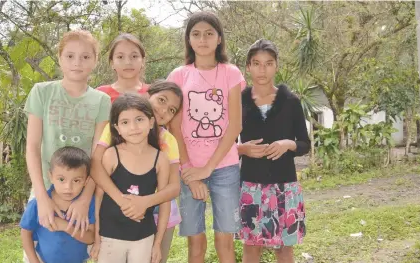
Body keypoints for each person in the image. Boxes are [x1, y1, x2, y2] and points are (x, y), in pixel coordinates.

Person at [167, 11, 245, 263]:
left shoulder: (230, 73)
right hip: (189, 169)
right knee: (196, 244)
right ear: (189, 40)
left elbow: (235, 126)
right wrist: (190, 172)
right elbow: (174, 128)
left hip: (225, 167)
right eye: (196, 34)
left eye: (209, 34)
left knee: (225, 243)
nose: (203, 39)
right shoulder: (178, 75)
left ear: (219, 39)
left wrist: (208, 168)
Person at [24, 30, 110, 238]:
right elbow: (32, 147)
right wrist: (42, 197)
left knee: (73, 251)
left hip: (81, 190)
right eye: (70, 56)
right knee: (41, 248)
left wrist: (83, 200)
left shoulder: (102, 101)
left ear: (95, 61)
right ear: (60, 58)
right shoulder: (41, 92)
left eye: (85, 57)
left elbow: (97, 155)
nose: (77, 63)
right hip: (45, 188)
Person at [91, 80, 184, 263]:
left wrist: (144, 203)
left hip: (157, 222)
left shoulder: (168, 143)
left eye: (172, 110)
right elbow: (95, 166)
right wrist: (123, 201)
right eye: (162, 100)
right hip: (114, 221)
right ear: (147, 96)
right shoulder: (118, 129)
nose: (164, 110)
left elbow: (174, 188)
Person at [238, 39, 310, 263]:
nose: (262, 70)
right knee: (251, 246)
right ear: (248, 67)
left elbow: (304, 144)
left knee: (284, 249)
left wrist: (288, 144)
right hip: (251, 184)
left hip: (284, 186)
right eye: (256, 63)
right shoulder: (238, 101)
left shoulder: (290, 101)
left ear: (276, 66)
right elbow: (226, 144)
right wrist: (243, 149)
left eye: (268, 63)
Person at [20, 146, 95, 263]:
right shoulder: (38, 204)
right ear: (51, 176)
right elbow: (25, 233)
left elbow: (90, 238)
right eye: (61, 179)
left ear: (86, 181)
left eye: (76, 181)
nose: (68, 187)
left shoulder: (88, 205)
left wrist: (66, 227)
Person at [97, 33, 149, 101]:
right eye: (120, 57)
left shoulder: (154, 94)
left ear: (143, 61)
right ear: (112, 63)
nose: (128, 62)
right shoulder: (100, 95)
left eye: (134, 56)